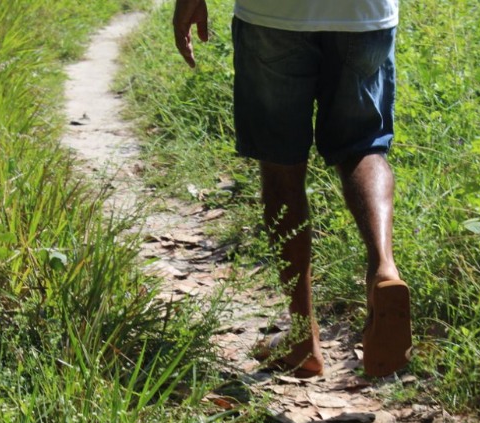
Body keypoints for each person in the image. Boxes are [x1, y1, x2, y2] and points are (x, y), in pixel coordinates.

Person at [172, 0, 412, 378]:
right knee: (364, 146)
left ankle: (303, 339)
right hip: (364, 14)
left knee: (281, 166)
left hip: (273, 16)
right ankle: (384, 266)